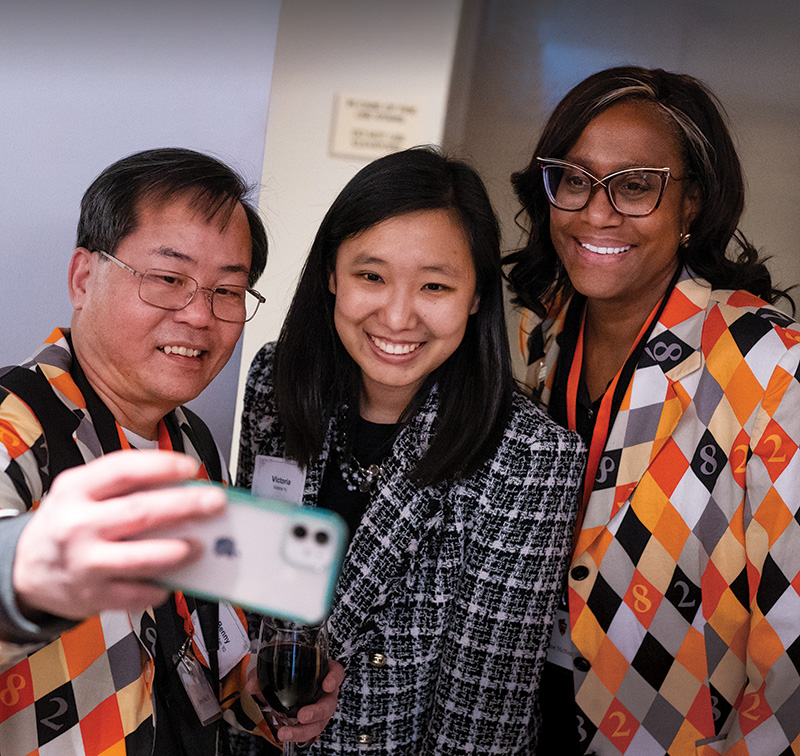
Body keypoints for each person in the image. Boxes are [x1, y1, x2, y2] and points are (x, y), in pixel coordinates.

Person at [231, 145, 586, 756]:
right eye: (371, 276)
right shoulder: (277, 381)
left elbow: (482, 725)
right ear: (331, 275)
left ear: (475, 296)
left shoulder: (530, 457)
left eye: (435, 286)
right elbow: (253, 602)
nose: (397, 316)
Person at [0, 148, 343, 756]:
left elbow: (194, 639)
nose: (200, 316)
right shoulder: (15, 429)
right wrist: (26, 576)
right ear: (84, 277)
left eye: (228, 290)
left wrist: (257, 696)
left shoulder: (189, 439)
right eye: (168, 279)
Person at [506, 66, 800, 755]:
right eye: (574, 179)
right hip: (515, 717)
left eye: (636, 185)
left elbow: (793, 631)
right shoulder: (533, 330)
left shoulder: (767, 361)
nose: (596, 212)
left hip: (669, 730)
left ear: (691, 203)